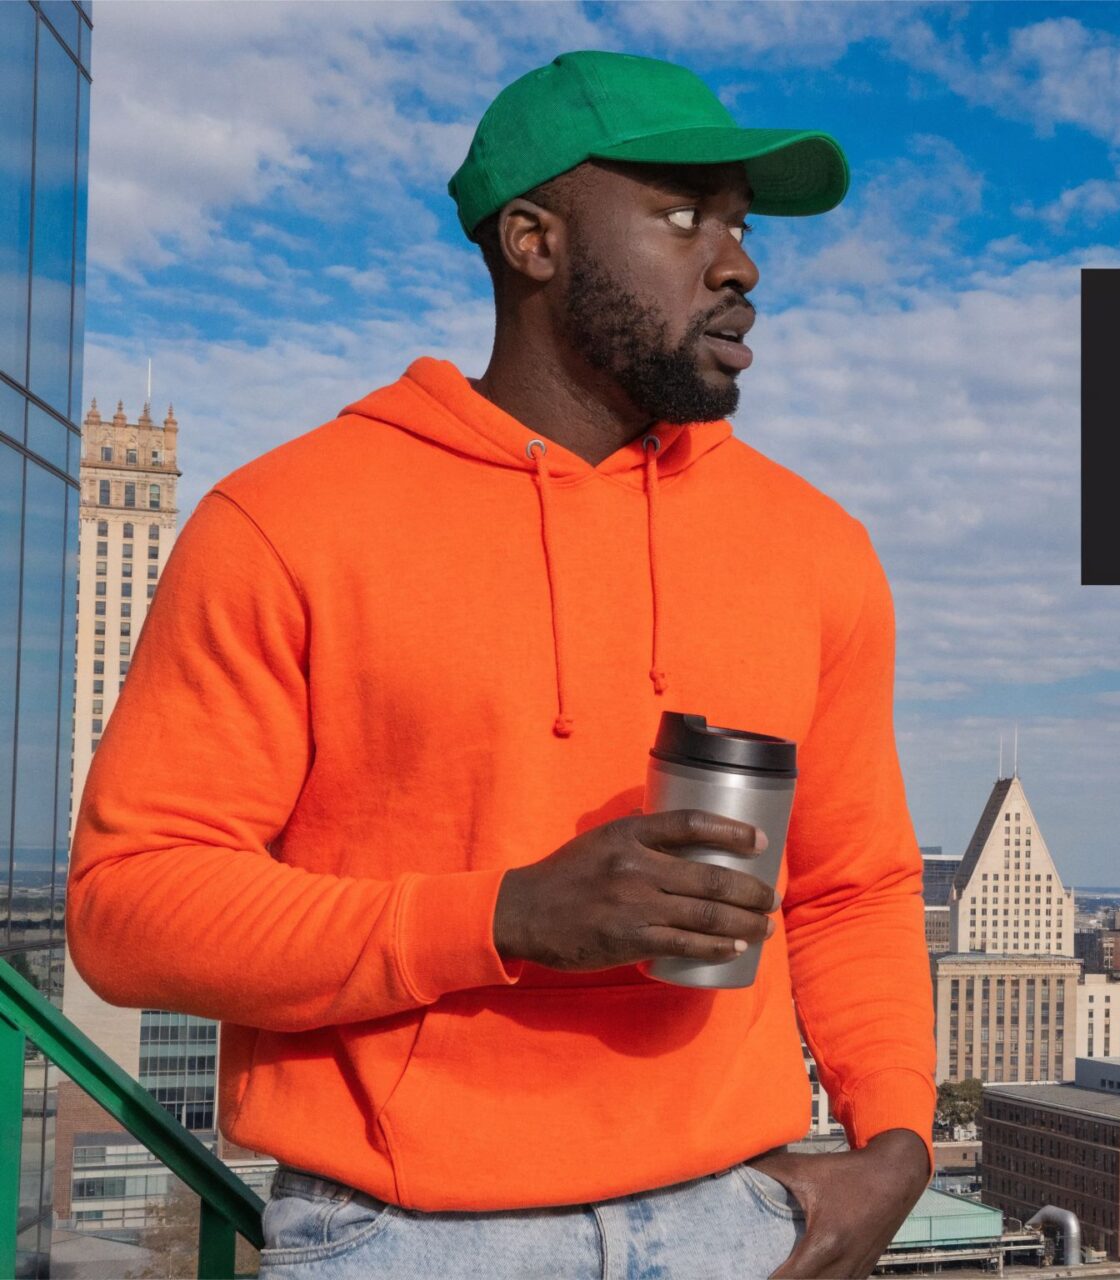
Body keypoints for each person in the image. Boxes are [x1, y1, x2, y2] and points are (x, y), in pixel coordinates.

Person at [66, 51, 935, 1278]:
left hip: (740, 1222)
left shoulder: (816, 549)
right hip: (398, 1238)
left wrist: (895, 1141)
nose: (739, 264)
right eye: (683, 213)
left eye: (739, 224)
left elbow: (854, 884)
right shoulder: (288, 521)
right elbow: (128, 909)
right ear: (533, 240)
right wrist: (503, 915)